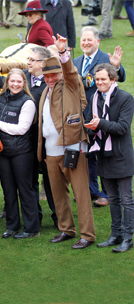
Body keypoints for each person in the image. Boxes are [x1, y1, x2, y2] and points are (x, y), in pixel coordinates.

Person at [38, 34, 96, 249]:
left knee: (81, 194)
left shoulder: (70, 84)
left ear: (60, 73)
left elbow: (71, 72)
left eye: (54, 75)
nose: (50, 79)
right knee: (58, 193)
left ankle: (87, 234)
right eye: (47, 76)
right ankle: (66, 229)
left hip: (73, 147)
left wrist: (62, 53)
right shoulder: (45, 90)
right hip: (51, 151)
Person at [0, 46, 58, 229]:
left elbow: (23, 126)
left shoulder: (51, 83)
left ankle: (59, 218)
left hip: (42, 141)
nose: (27, 62)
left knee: (49, 183)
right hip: (20, 144)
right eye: (28, 59)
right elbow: (9, 77)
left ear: (42, 63)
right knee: (28, 185)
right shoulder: (22, 80)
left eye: (31, 60)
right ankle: (34, 218)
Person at [72, 26, 126, 206]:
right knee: (88, 153)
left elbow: (121, 77)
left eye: (90, 40)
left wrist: (116, 66)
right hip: (82, 115)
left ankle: (107, 192)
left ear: (97, 41)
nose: (86, 43)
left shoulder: (106, 58)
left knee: (104, 152)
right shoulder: (77, 61)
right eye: (83, 40)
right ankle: (91, 189)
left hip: (103, 114)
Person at [0, 69, 40, 239]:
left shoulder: (28, 103)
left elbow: (22, 129)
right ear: (7, 82)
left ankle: (32, 229)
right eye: (12, 81)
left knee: (25, 190)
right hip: (3, 152)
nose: (15, 84)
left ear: (24, 83)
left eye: (19, 82)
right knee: (8, 191)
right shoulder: (0, 98)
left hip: (21, 153)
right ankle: (12, 226)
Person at [85, 63, 134, 253]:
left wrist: (100, 124)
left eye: (103, 79)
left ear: (113, 79)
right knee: (112, 198)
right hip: (103, 154)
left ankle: (128, 237)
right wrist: (89, 128)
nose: (100, 83)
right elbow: (91, 121)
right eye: (97, 80)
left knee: (126, 199)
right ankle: (116, 235)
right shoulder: (94, 98)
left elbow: (122, 128)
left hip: (121, 155)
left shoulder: (125, 98)